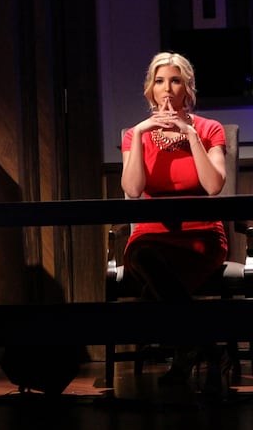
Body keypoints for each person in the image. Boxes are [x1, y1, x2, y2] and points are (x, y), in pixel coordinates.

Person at [120, 52, 229, 387]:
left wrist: (191, 135)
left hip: (201, 235)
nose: (167, 89)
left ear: (187, 88)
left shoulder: (209, 129)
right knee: (145, 256)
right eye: (160, 81)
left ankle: (189, 352)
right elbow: (132, 190)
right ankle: (205, 345)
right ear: (150, 90)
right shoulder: (135, 135)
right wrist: (140, 133)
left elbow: (213, 186)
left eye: (175, 80)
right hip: (151, 236)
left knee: (152, 294)